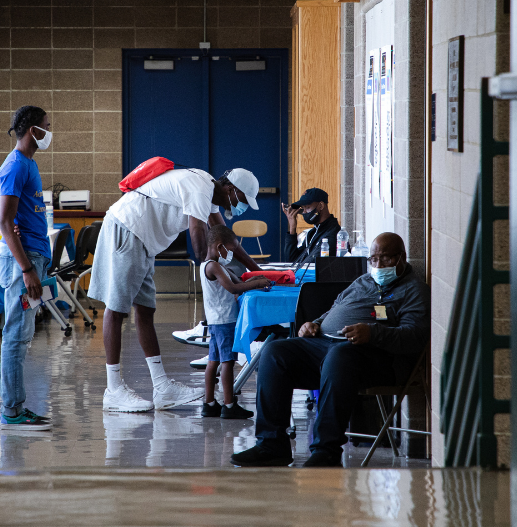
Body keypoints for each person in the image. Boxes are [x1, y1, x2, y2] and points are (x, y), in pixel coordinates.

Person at [231, 232, 428, 468]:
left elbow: (415, 337)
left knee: (339, 356)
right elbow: (336, 309)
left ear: (401, 258)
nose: (377, 265)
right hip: (326, 345)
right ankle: (271, 445)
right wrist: (314, 323)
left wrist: (374, 333)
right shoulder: (363, 281)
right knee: (275, 352)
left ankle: (326, 450)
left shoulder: (414, 290)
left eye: (384, 259)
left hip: (376, 357)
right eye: (373, 259)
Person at [89, 165, 264, 412]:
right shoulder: (201, 188)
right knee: (116, 310)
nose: (241, 207)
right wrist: (212, 271)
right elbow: (199, 238)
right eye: (243, 200)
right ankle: (113, 389)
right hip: (127, 228)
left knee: (146, 311)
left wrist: (258, 270)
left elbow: (227, 240)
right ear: (231, 190)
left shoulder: (210, 194)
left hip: (144, 241)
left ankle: (162, 388)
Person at [0, 105, 54, 431]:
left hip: (32, 257)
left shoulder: (27, 164)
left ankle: (16, 406)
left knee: (23, 334)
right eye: (47, 125)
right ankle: (12, 410)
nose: (49, 131)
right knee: (16, 336)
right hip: (23, 263)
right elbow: (4, 221)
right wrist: (28, 269)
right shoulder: (15, 166)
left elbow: (15, 218)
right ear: (33, 130)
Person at [199, 225, 271, 419]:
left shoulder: (209, 265)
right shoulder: (214, 266)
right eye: (230, 250)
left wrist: (253, 278)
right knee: (227, 362)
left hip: (216, 321)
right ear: (219, 246)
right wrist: (257, 283)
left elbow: (237, 279)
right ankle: (229, 405)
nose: (231, 254)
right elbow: (233, 288)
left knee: (213, 361)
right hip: (224, 321)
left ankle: (209, 403)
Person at [281, 187, 348, 264]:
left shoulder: (332, 234)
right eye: (303, 208)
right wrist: (292, 228)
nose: (304, 212)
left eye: (308, 207)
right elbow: (292, 260)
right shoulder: (313, 233)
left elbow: (310, 264)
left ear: (321, 206)